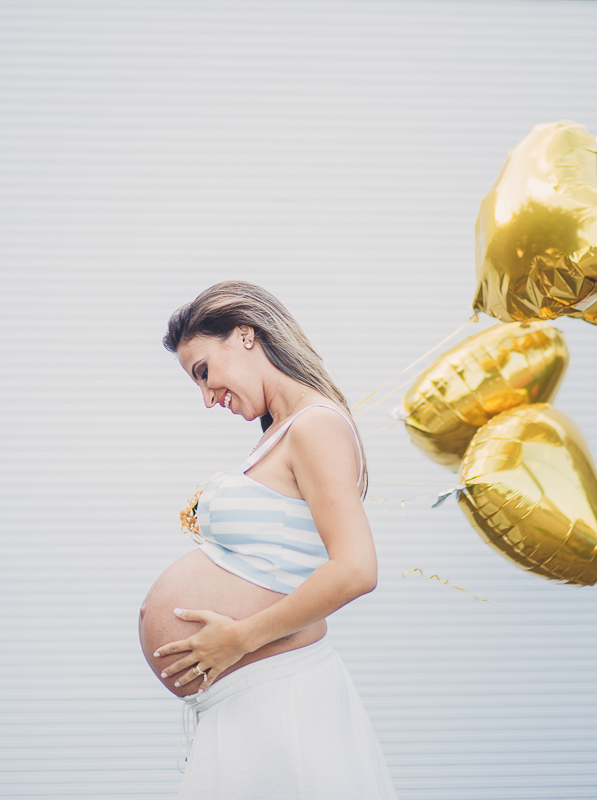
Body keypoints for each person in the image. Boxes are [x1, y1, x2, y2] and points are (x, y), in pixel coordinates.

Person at [145, 280, 398, 799]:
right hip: (252, 700)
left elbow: (356, 569)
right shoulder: (281, 432)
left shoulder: (315, 426)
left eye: (203, 373)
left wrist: (240, 638)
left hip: (282, 697)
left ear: (244, 336)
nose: (206, 397)